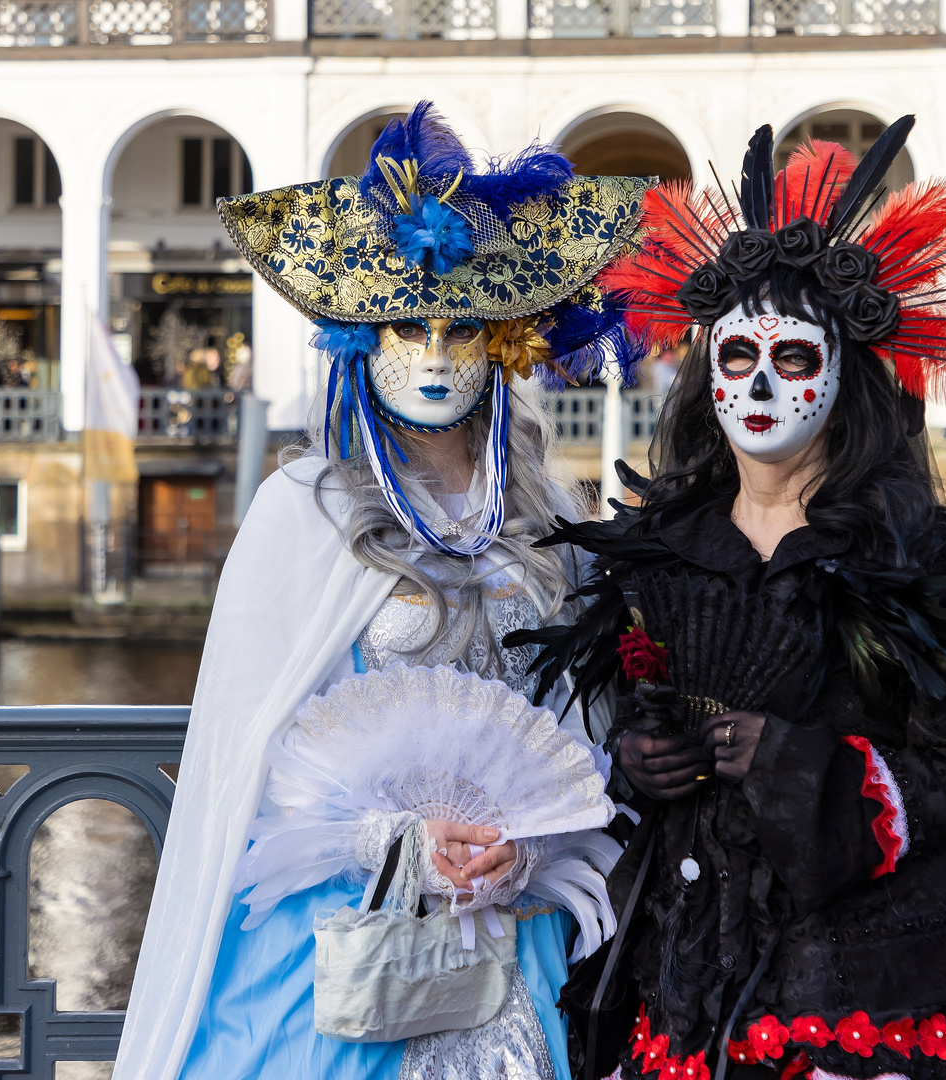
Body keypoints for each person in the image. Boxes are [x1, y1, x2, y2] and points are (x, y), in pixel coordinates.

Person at [510, 118, 946, 1080]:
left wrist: (793, 762)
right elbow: (599, 762)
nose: (760, 384)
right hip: (688, 985)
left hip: (881, 986)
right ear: (705, 375)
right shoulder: (652, 558)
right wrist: (636, 764)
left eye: (794, 360)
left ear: (843, 378)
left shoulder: (919, 560)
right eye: (735, 359)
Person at [113, 103, 652, 1080]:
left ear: (506, 344)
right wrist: (384, 837)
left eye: (464, 326)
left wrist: (527, 853)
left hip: (505, 930)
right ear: (362, 338)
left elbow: (577, 741)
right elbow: (249, 755)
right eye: (410, 323)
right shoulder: (303, 512)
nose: (438, 353)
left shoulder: (543, 520)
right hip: (341, 945)